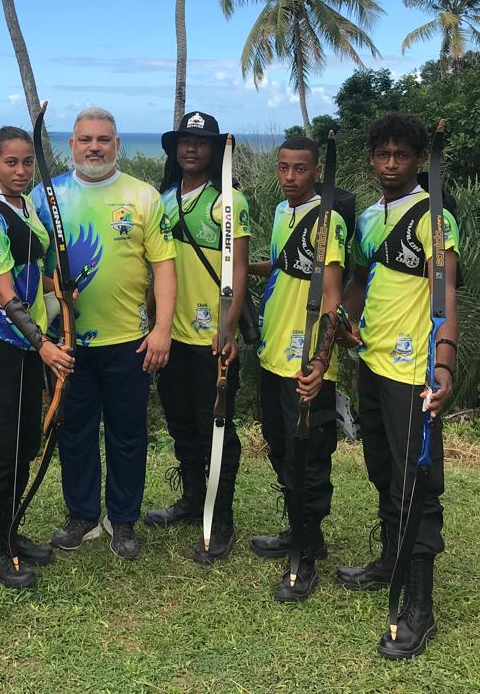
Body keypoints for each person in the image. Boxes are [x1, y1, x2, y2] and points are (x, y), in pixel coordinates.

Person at [337, 112, 458, 659]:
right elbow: (361, 278)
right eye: (382, 155)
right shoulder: (368, 218)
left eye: (402, 156)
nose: (391, 164)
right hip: (373, 362)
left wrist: (444, 364)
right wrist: (347, 319)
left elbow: (445, 293)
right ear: (371, 159)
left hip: (414, 374)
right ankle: (390, 560)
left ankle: (420, 606)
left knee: (417, 484)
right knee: (383, 471)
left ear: (416, 161)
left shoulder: (435, 219)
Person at [35, 106, 176, 561]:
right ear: (71, 145)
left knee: (127, 433)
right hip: (66, 341)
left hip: (129, 340)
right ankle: (83, 516)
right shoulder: (46, 195)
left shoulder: (142, 195)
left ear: (117, 145)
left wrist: (162, 329)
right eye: (85, 139)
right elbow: (25, 265)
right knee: (74, 431)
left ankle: (123, 519)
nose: (94, 147)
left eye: (103, 139)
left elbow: (163, 267)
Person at [0, 126, 75, 590]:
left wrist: (60, 291)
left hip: (26, 343)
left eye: (28, 162)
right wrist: (45, 345)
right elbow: (6, 295)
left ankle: (7, 531)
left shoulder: (26, 206)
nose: (22, 170)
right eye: (11, 162)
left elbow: (32, 272)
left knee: (25, 442)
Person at [143, 111, 250, 564]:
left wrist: (228, 328)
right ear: (174, 149)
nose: (191, 148)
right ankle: (192, 498)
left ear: (214, 151)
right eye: (184, 141)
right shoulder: (163, 200)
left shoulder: (228, 202)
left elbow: (238, 269)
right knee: (182, 425)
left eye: (201, 142)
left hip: (211, 340)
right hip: (170, 336)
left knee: (216, 431)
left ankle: (220, 519)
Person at [246, 135, 348, 601]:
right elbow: (286, 268)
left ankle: (304, 559)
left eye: (300, 169)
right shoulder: (281, 213)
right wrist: (241, 268)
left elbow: (331, 296)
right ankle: (303, 534)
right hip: (273, 352)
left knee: (308, 458)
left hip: (305, 363)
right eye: (283, 167)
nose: (290, 177)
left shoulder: (327, 223)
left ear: (316, 172)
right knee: (281, 447)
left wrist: (321, 360)